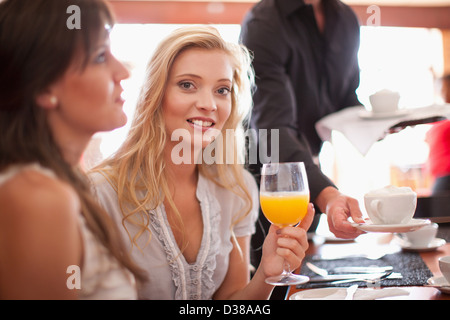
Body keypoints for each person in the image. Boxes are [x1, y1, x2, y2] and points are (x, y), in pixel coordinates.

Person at [90, 26, 315, 300]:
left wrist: (267, 275)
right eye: (187, 85)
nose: (209, 104)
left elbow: (230, 301)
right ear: (154, 94)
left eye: (222, 90)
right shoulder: (99, 193)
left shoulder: (236, 188)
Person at [0, 0, 146, 299]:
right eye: (100, 56)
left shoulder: (60, 182)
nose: (122, 72)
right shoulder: (37, 198)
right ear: (44, 88)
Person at [240, 0, 365, 253]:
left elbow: (345, 97)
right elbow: (271, 130)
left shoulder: (346, 21)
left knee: (305, 264)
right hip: (263, 173)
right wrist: (328, 195)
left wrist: (377, 124)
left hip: (309, 170)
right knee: (272, 276)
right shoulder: (265, 21)